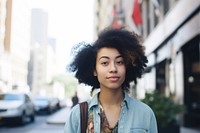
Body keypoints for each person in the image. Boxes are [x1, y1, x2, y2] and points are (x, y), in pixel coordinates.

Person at [64, 27, 158, 133]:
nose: (113, 69)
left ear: (127, 67)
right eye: (105, 63)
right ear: (94, 70)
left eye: (120, 62)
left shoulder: (145, 113)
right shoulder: (78, 115)